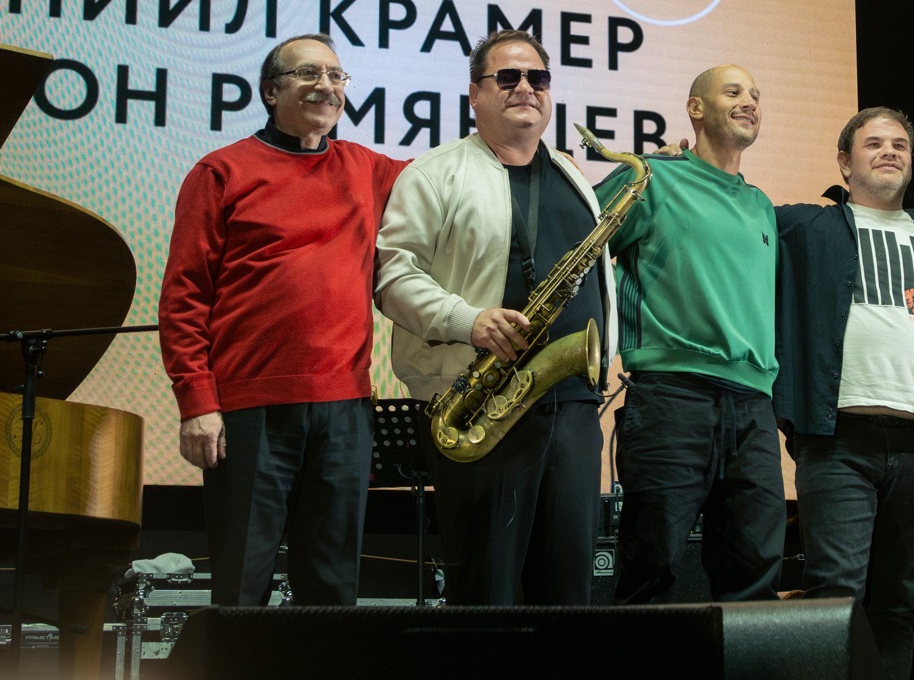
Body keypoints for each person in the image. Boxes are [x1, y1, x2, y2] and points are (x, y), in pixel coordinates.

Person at [158, 33, 407, 606]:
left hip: (345, 411)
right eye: (308, 73)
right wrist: (197, 402)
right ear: (270, 91)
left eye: (337, 76)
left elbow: (451, 179)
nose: (327, 86)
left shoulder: (367, 168)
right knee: (241, 589)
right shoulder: (220, 172)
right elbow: (184, 296)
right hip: (249, 411)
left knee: (332, 593)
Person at [375, 29, 616, 606]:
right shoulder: (432, 173)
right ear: (474, 95)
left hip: (571, 408)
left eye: (538, 78)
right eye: (508, 77)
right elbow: (393, 278)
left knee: (569, 594)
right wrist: (470, 320)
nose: (525, 88)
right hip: (483, 404)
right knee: (488, 593)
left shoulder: (572, 176)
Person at [771, 106, 914, 678]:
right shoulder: (806, 227)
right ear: (845, 162)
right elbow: (737, 214)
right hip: (838, 439)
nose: (889, 151)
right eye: (874, 143)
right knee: (836, 595)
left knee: (898, 600)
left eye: (899, 145)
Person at [596, 63, 786, 604]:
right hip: (671, 399)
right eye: (733, 91)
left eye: (755, 93)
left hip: (753, 409)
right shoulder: (650, 178)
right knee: (649, 569)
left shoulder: (760, 204)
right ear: (695, 108)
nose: (749, 100)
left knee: (755, 577)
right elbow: (579, 250)